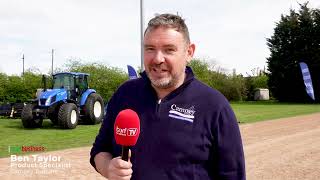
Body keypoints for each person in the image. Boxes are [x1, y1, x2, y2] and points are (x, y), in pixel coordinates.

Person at [90, 13, 246, 180]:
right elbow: (100, 149)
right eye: (150, 49)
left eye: (169, 49)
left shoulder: (215, 106)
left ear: (189, 52)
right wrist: (108, 168)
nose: (157, 59)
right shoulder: (125, 93)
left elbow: (232, 175)